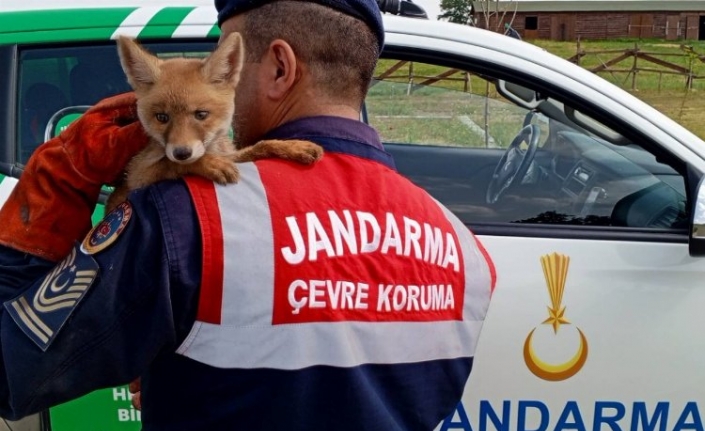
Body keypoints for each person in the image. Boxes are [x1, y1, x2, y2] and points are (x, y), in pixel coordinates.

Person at [0, 1, 496, 429]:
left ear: (280, 68)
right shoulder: (464, 248)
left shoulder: (183, 218)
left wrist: (58, 182)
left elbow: (11, 371)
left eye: (233, 61)